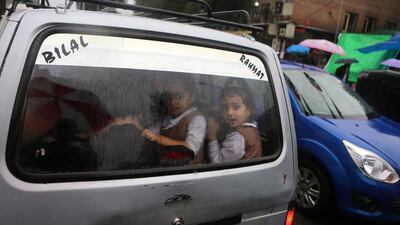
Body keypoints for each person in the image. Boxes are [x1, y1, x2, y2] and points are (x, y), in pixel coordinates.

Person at [117, 76, 207, 166]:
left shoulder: (197, 119)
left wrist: (158, 138)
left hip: (188, 172)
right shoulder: (167, 119)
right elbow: (149, 134)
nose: (172, 101)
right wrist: (134, 123)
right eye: (169, 97)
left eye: (179, 96)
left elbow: (190, 148)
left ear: (191, 97)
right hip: (166, 167)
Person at [207, 78, 262, 163]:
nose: (229, 112)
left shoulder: (237, 140)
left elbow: (217, 162)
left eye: (236, 107)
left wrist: (212, 137)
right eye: (225, 107)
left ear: (249, 110)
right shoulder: (250, 126)